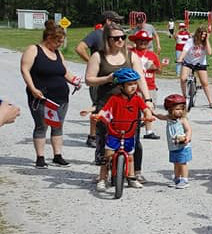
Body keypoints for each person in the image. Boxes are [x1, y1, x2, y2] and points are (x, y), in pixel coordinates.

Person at [85, 23, 151, 183]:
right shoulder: (98, 56)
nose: (120, 40)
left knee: (133, 139)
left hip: (128, 105)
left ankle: (134, 172)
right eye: (116, 38)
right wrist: (107, 78)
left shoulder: (131, 55)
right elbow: (89, 80)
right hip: (107, 104)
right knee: (104, 140)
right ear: (107, 39)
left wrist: (147, 100)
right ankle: (103, 174)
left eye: (123, 37)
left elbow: (140, 77)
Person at [20, 20, 81, 168]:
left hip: (61, 96)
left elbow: (64, 71)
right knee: (42, 126)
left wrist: (74, 81)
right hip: (42, 97)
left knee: (58, 125)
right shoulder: (33, 50)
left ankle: (57, 155)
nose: (60, 44)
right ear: (49, 38)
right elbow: (25, 69)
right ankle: (40, 157)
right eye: (58, 41)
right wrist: (33, 88)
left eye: (61, 41)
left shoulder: (58, 53)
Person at [91, 68, 156, 192]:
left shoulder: (137, 99)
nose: (133, 87)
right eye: (129, 84)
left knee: (130, 156)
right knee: (108, 155)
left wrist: (148, 115)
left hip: (129, 132)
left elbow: (145, 108)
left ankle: (131, 178)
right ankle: (103, 178)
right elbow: (105, 109)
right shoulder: (114, 99)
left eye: (135, 83)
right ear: (121, 86)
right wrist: (99, 115)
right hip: (114, 132)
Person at [75, 11, 123, 148]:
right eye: (116, 21)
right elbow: (80, 48)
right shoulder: (97, 34)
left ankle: (110, 134)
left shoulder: (113, 36)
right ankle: (92, 136)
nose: (118, 24)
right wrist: (91, 62)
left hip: (114, 78)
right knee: (98, 106)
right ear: (108, 21)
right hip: (99, 78)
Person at [156, 94, 192, 189]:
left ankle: (184, 179)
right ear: (170, 110)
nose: (179, 111)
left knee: (182, 163)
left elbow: (188, 130)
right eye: (177, 109)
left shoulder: (182, 120)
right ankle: (177, 178)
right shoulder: (168, 118)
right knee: (176, 163)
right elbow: (160, 116)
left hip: (183, 146)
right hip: (173, 146)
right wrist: (153, 113)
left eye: (181, 109)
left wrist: (187, 138)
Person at [130, 30, 162, 139]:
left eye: (145, 41)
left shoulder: (152, 55)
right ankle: (131, 129)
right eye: (140, 41)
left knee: (148, 108)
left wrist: (154, 68)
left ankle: (149, 131)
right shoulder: (131, 53)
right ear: (136, 41)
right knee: (133, 109)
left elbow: (159, 70)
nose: (142, 43)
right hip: (134, 86)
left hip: (150, 86)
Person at [177, 27, 212, 109]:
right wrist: (180, 59)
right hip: (188, 62)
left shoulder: (205, 42)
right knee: (183, 79)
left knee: (204, 83)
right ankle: (184, 97)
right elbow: (185, 51)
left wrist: (207, 40)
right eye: (202, 35)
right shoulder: (190, 41)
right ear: (198, 34)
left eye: (205, 35)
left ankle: (210, 102)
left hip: (200, 63)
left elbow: (209, 52)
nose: (203, 37)